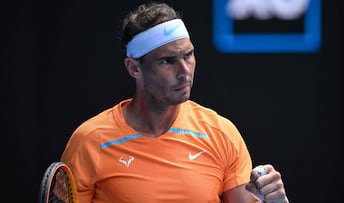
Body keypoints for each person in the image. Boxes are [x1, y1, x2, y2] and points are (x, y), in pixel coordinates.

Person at [60, 2, 289, 203]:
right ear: (134, 68)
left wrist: (277, 202)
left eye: (188, 55)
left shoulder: (222, 134)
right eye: (167, 61)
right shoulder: (90, 141)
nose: (184, 71)